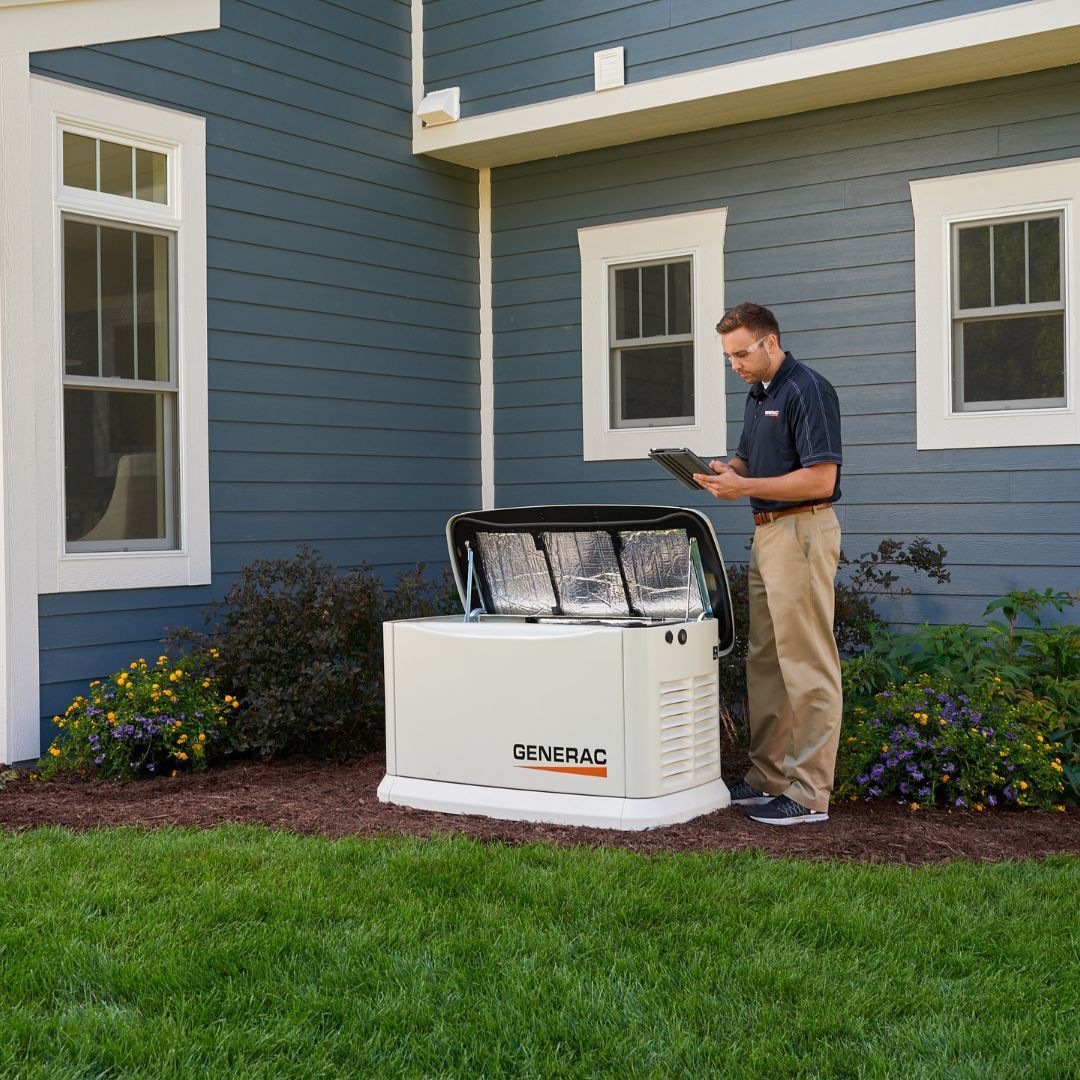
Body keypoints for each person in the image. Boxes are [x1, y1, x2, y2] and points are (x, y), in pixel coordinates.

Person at [693, 303, 843, 825]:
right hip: (768, 534)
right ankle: (768, 777)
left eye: (740, 354)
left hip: (803, 528)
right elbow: (748, 461)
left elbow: (821, 479)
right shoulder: (760, 395)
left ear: (770, 343)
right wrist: (719, 472)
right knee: (767, 662)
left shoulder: (807, 390)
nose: (734, 364)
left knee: (806, 663)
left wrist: (745, 486)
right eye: (728, 357)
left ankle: (808, 795)